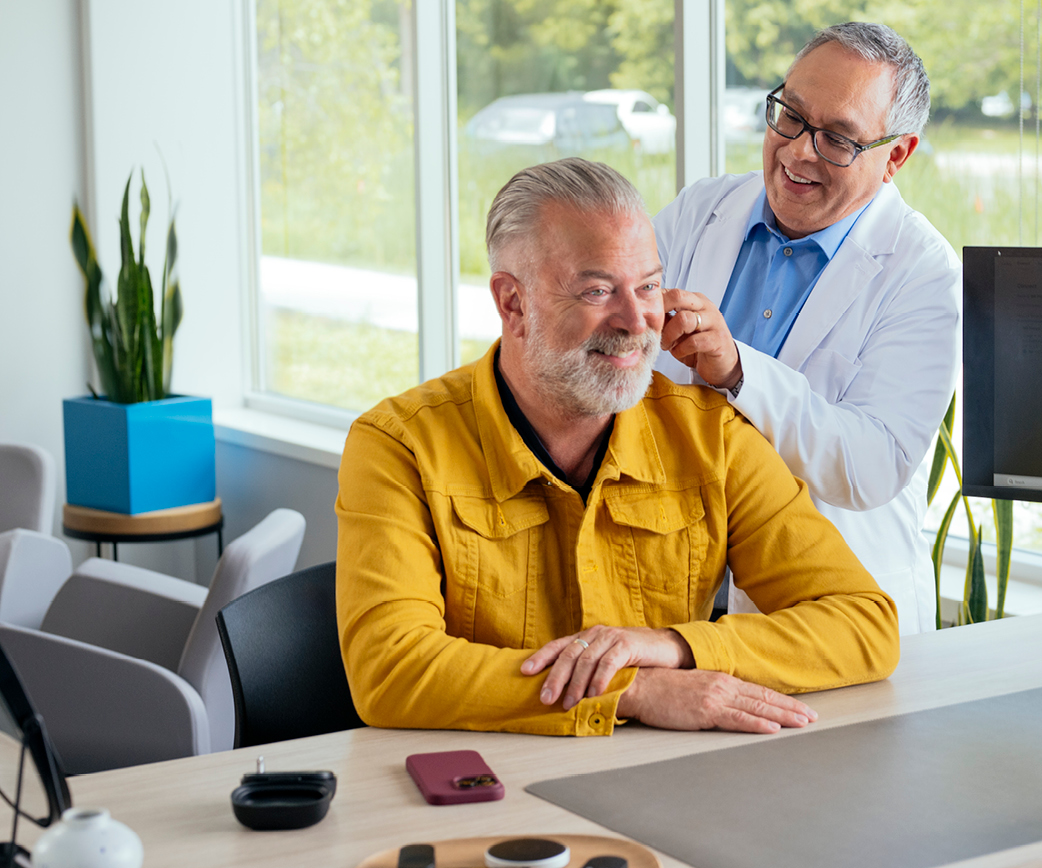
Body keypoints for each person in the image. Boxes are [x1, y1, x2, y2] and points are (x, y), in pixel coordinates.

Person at [336, 158, 900, 737]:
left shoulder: (715, 438)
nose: (636, 321)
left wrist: (674, 647)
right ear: (513, 304)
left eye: (649, 285)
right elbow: (390, 669)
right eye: (598, 290)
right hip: (487, 778)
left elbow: (865, 625)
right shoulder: (397, 446)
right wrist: (632, 690)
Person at [655, 22, 960, 635]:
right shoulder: (700, 210)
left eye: (838, 139)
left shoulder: (925, 273)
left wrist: (737, 371)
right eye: (790, 117)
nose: (798, 152)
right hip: (672, 592)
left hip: (823, 612)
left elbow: (874, 463)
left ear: (896, 157)